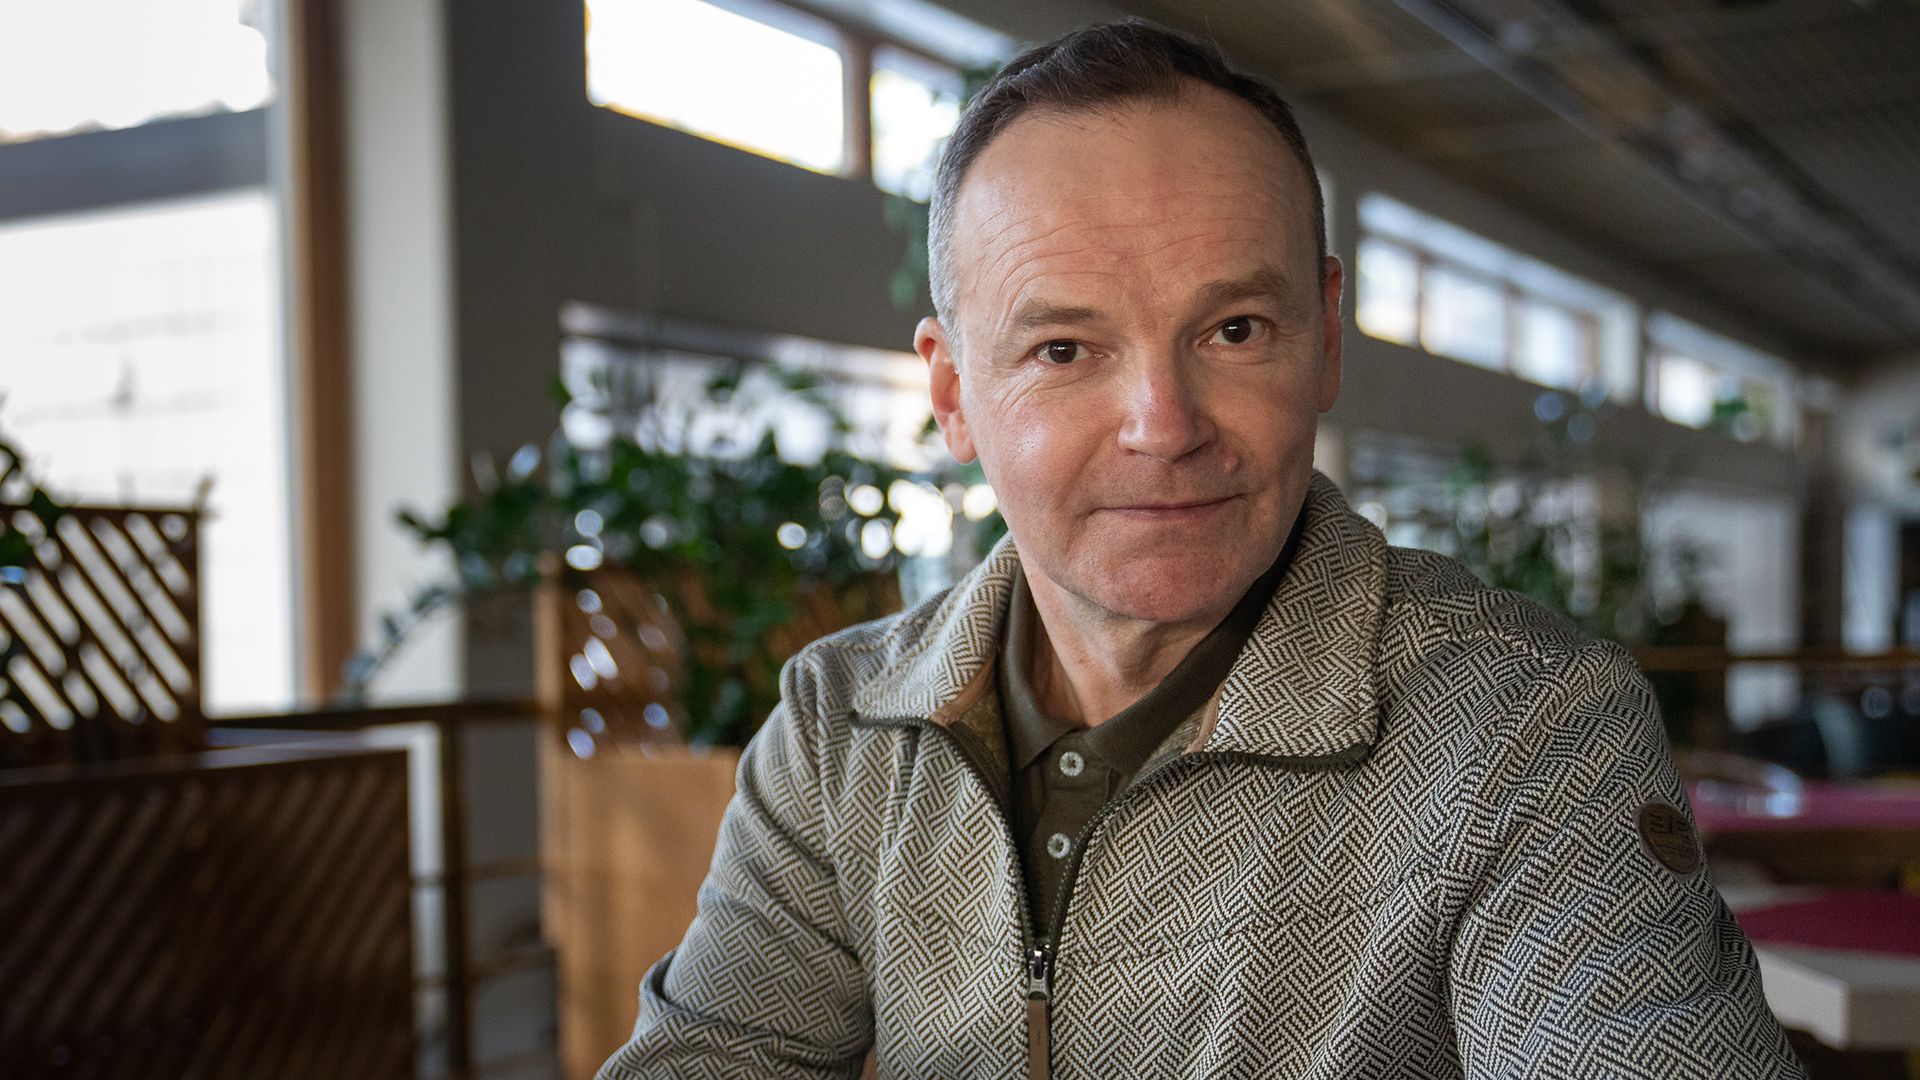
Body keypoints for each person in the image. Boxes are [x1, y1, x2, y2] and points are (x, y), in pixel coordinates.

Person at [598, 19, 1805, 1080]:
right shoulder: (842, 730)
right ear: (954, 393)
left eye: (1234, 329)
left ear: (1325, 339)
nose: (1164, 427)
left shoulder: (1525, 731)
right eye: (1064, 350)